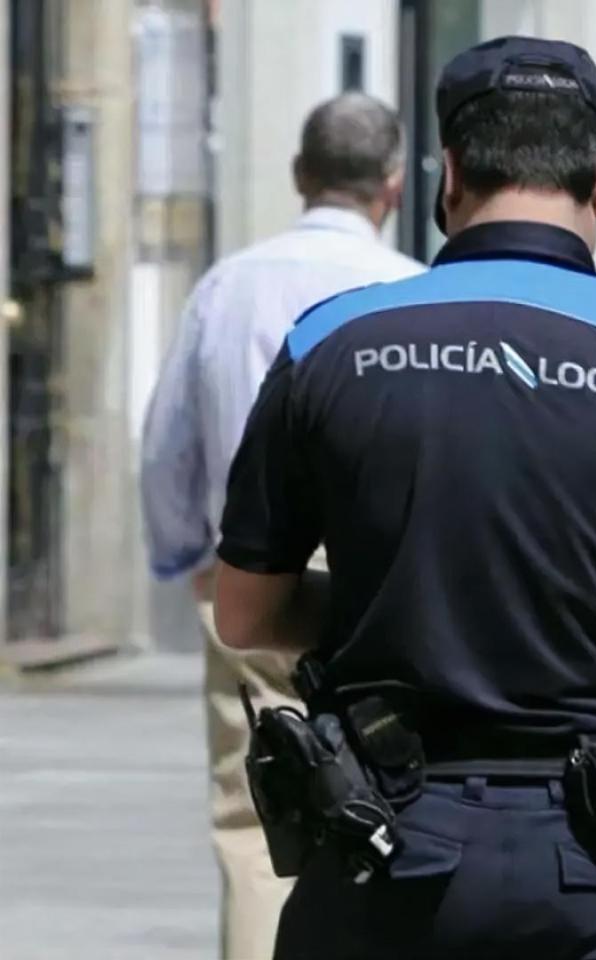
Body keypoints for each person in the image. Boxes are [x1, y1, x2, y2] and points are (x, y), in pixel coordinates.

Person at [210, 36, 596, 958]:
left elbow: (245, 610)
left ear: (450, 176)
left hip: (381, 840)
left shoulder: (331, 344)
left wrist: (398, 595)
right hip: (589, 857)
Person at [139, 93, 423, 960]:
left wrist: (188, 553)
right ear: (395, 186)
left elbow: (166, 446)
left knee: (258, 812)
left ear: (300, 176)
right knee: (401, 798)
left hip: (254, 575)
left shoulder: (227, 287)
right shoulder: (415, 294)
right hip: (389, 587)